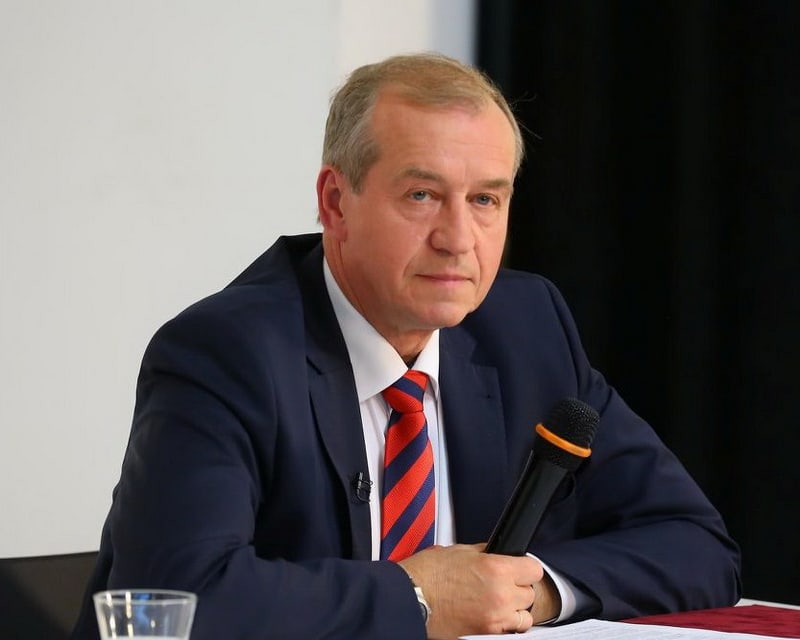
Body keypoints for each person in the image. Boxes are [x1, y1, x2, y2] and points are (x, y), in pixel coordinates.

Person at [71, 52, 741, 640]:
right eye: (422, 195)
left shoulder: (527, 327)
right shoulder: (226, 352)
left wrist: (526, 592)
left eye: (485, 200)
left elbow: (698, 545)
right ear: (336, 202)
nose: (458, 239)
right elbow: (173, 601)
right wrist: (420, 597)